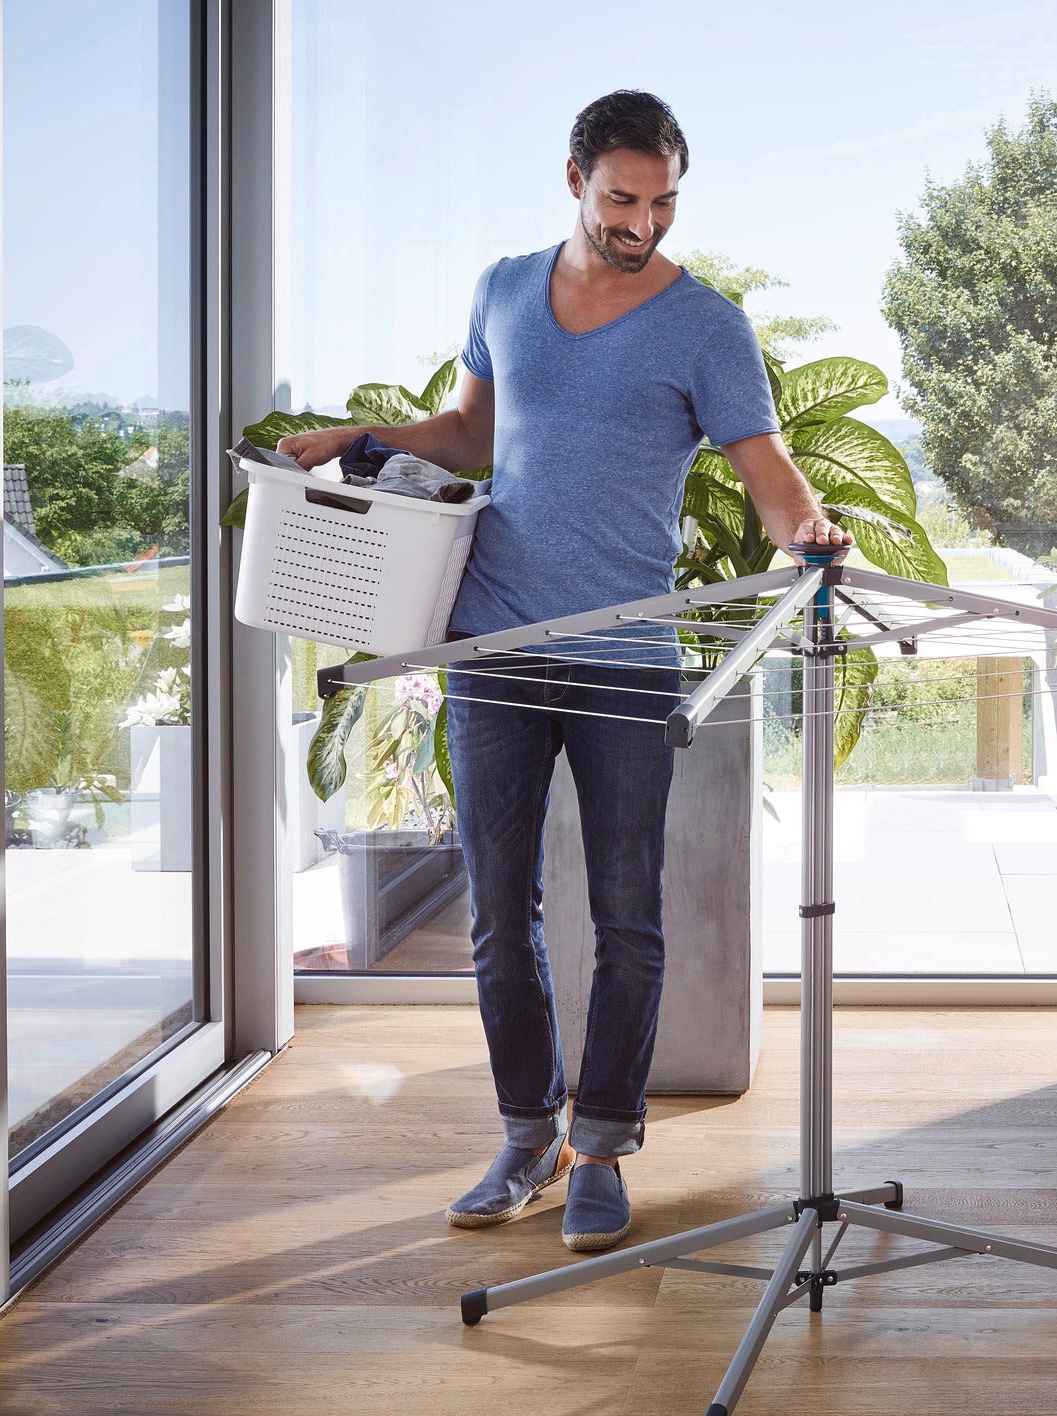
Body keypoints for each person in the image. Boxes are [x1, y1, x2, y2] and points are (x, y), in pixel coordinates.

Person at [280, 91, 850, 1251]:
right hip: (494, 645)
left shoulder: (705, 326)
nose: (642, 222)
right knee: (498, 911)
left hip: (626, 656)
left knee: (628, 915)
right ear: (575, 181)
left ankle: (602, 1144)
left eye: (662, 202)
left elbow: (767, 469)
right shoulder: (501, 288)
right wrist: (365, 438)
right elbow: (475, 438)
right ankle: (524, 1135)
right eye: (621, 198)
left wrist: (812, 534)